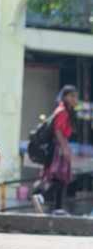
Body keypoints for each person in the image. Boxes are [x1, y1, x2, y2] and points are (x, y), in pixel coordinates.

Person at [32, 85, 79, 215]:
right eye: (72, 96)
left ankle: (58, 208)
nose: (75, 99)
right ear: (64, 97)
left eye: (76, 96)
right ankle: (42, 197)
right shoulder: (63, 111)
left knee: (61, 178)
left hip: (60, 144)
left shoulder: (64, 110)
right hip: (59, 145)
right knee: (62, 178)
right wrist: (65, 149)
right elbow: (58, 130)